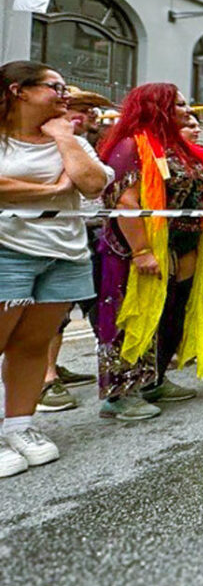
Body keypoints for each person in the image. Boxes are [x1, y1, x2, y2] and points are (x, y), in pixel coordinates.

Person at [94, 83, 203, 421]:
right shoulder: (130, 145)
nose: (187, 111)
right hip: (138, 250)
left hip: (183, 249)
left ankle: (154, 380)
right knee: (132, 317)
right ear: (156, 108)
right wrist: (142, 251)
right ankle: (121, 394)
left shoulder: (180, 148)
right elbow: (124, 200)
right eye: (179, 105)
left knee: (172, 315)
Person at [0, 63, 110, 476]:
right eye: (55, 87)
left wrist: (64, 137)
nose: (65, 95)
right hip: (7, 248)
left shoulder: (70, 139)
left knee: (31, 344)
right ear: (19, 91)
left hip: (63, 252)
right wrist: (52, 191)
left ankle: (20, 426)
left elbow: (92, 184)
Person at [38, 86, 113, 412]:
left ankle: (106, 372)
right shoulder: (45, 145)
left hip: (90, 233)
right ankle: (46, 378)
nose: (92, 117)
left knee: (95, 304)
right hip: (51, 237)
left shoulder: (85, 143)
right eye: (84, 109)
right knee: (52, 310)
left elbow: (98, 183)